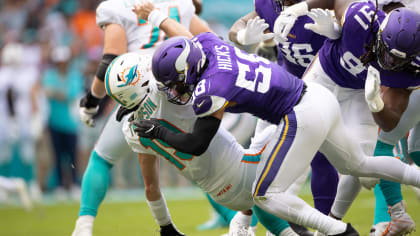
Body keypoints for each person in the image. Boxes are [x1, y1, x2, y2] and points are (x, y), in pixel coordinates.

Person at [133, 5, 420, 235]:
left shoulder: (211, 90)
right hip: (317, 95)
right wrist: (156, 16)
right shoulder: (207, 44)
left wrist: (158, 131)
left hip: (299, 113)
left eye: (176, 83)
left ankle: (339, 231)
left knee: (265, 193)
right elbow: (183, 34)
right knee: (358, 164)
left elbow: (196, 144)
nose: (175, 91)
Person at [105, 52, 302, 236]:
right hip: (238, 167)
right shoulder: (167, 94)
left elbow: (151, 188)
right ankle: (329, 221)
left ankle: (252, 229)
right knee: (298, 124)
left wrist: (166, 226)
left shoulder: (131, 131)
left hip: (218, 193)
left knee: (258, 200)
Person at [273, 1, 420, 234]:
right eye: (388, 53)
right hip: (325, 76)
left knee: (360, 164)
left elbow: (390, 121)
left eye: (397, 60)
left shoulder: (412, 67)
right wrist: (301, 8)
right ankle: (278, 225)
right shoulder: (361, 18)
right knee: (298, 137)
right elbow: (337, 1)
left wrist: (376, 103)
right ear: (380, 33)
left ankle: (329, 226)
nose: (390, 63)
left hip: (359, 96)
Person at [72, 0, 213, 235]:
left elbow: (110, 60)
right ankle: (239, 222)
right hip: (180, 93)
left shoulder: (117, 7)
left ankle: (83, 227)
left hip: (141, 92)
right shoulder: (181, 3)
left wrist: (92, 100)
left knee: (102, 159)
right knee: (208, 167)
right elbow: (209, 42)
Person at [229, 0, 339, 221]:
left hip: (325, 86)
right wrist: (242, 36)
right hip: (285, 83)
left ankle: (325, 224)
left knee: (322, 156)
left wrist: (336, 30)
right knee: (256, 152)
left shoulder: (321, 6)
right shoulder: (268, 5)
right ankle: (243, 223)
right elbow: (238, 25)